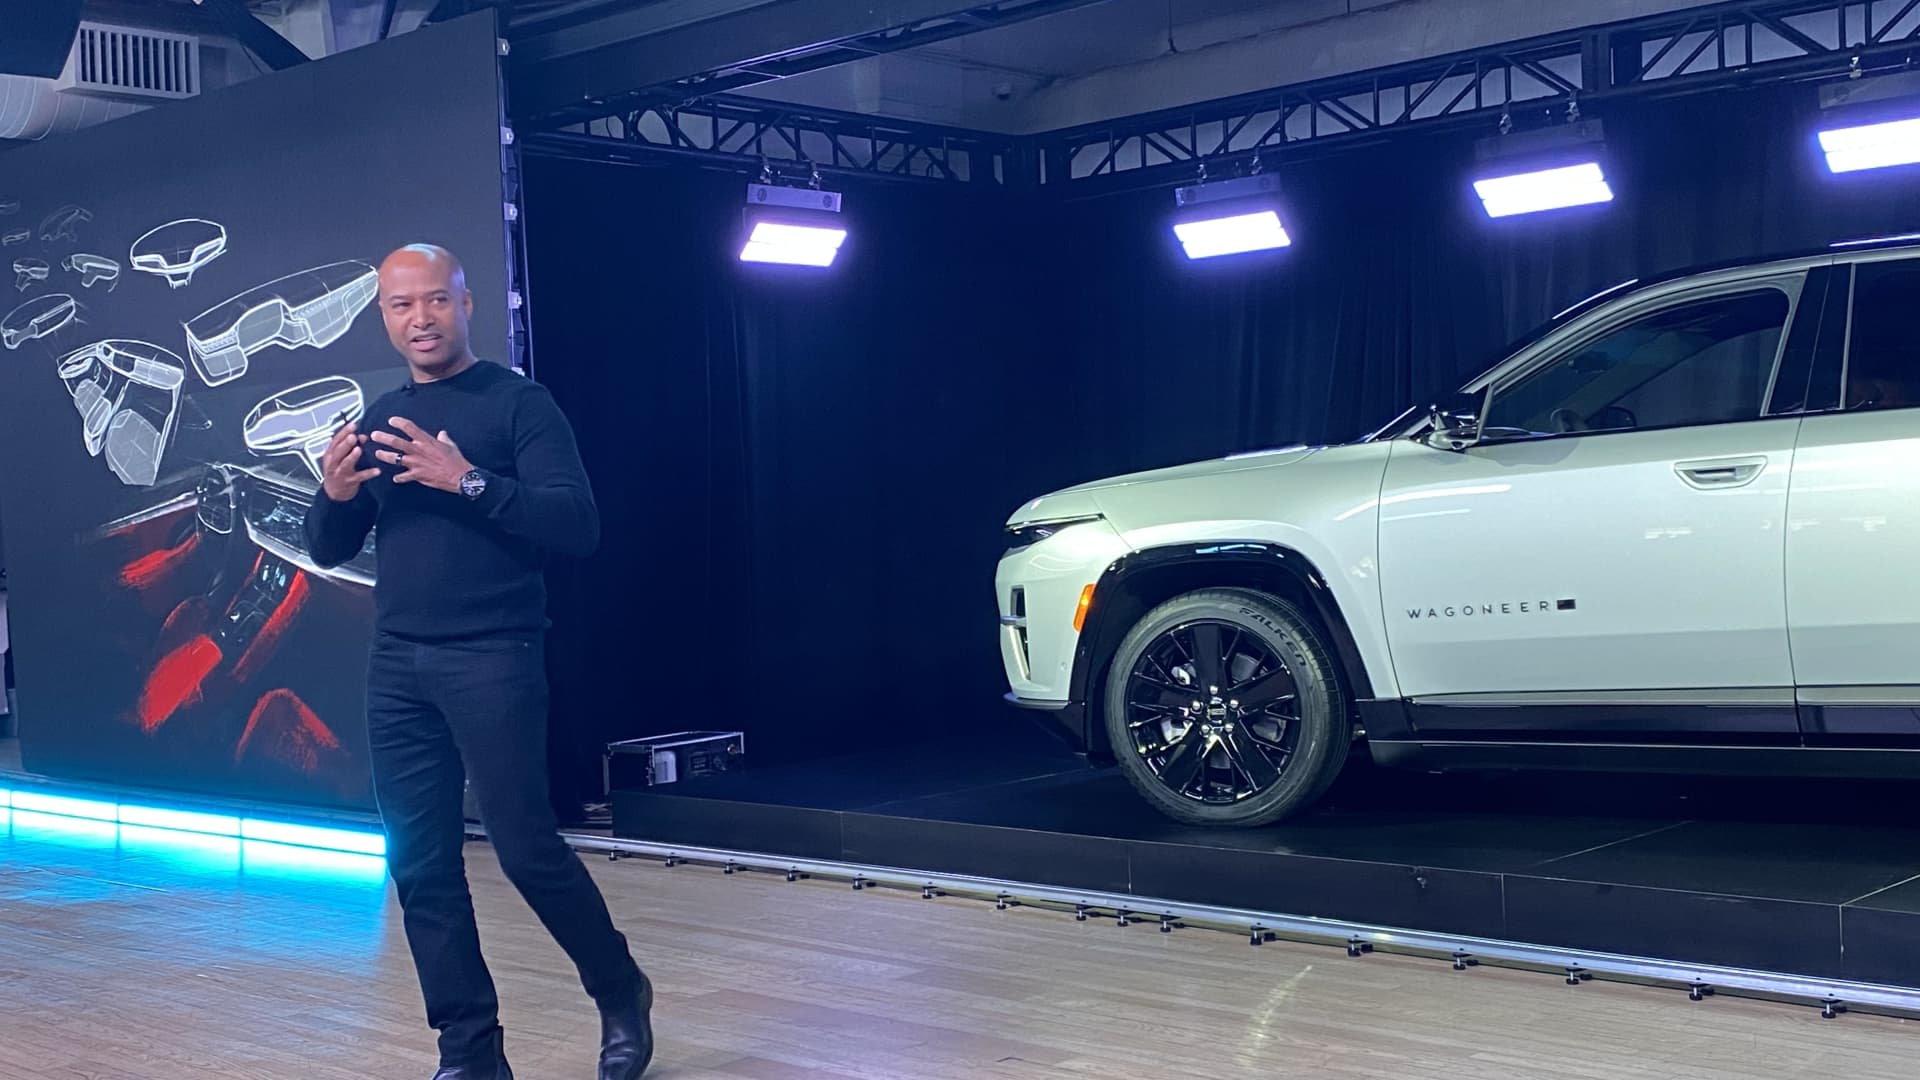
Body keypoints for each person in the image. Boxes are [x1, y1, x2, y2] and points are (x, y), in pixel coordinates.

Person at [303, 244, 653, 1080]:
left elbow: (577, 525)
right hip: (398, 665)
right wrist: (336, 495)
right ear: (383, 316)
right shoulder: (383, 415)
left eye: (435, 302)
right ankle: (469, 1053)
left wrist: (467, 481)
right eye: (400, 306)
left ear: (467, 305)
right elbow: (329, 546)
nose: (419, 319)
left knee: (526, 847)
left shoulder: (520, 406)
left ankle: (619, 988)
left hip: (495, 654)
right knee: (418, 864)